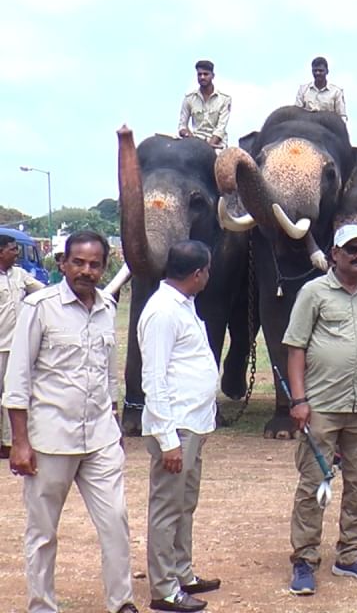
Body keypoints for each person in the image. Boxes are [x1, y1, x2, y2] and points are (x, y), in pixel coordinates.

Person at [3, 231, 138, 613]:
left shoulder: (107, 308)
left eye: (95, 264)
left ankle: (121, 602)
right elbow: (18, 378)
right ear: (62, 263)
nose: (86, 270)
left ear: (104, 267)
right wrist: (20, 442)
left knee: (115, 522)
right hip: (49, 440)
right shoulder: (39, 307)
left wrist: (113, 420)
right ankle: (42, 605)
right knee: (42, 533)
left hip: (99, 438)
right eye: (78, 262)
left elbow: (108, 375)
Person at [282, 225, 357, 596]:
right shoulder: (313, 294)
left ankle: (350, 553)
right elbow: (295, 347)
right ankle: (304, 558)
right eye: (351, 250)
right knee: (314, 483)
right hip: (321, 406)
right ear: (334, 254)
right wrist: (298, 401)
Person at [139, 241, 223, 612]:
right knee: (167, 508)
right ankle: (164, 589)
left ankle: (182, 573)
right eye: (208, 270)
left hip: (193, 425)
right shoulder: (162, 312)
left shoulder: (182, 305)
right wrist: (167, 440)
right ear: (198, 273)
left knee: (185, 504)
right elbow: (153, 380)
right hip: (175, 430)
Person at [1, 233, 44, 455]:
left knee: (12, 393)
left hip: (15, 345)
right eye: (12, 249)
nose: (16, 253)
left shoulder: (20, 275)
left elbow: (43, 292)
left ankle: (8, 442)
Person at [178, 60, 232, 149]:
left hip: (217, 146)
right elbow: (182, 126)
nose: (202, 77)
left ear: (212, 76)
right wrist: (191, 140)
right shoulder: (189, 98)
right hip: (194, 143)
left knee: (224, 162)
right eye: (199, 74)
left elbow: (220, 129)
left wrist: (207, 148)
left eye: (206, 74)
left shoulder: (225, 99)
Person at [295, 56, 348, 121]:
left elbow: (342, 116)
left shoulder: (336, 92)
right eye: (315, 70)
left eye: (321, 70)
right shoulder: (303, 90)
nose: (317, 73)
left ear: (327, 71)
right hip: (306, 127)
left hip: (327, 128)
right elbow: (296, 113)